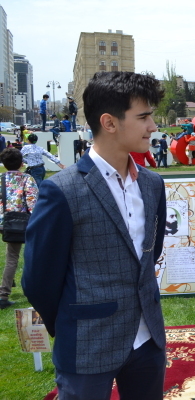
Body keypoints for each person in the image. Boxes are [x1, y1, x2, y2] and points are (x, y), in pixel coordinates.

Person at [22, 71, 168, 400]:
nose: (153, 127)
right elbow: (38, 279)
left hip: (148, 341)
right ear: (110, 122)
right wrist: (72, 324)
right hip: (87, 343)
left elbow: (148, 254)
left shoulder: (152, 184)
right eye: (144, 117)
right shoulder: (61, 190)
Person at [0, 148, 38, 309]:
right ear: (22, 164)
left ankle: (5, 291)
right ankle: (31, 290)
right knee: (30, 256)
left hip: (5, 222)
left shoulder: (1, 179)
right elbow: (32, 202)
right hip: (24, 223)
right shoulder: (27, 179)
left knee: (11, 257)